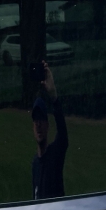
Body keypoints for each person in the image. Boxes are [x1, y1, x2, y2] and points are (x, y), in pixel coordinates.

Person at [31, 61, 68, 200]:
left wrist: (54, 96)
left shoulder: (55, 154)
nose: (38, 125)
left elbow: (63, 135)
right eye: (36, 120)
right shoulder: (35, 164)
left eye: (41, 120)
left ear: (47, 125)